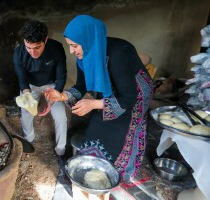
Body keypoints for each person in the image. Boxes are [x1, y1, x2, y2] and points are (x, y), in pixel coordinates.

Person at [44, 15, 153, 181]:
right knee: (98, 124)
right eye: (70, 46)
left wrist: (94, 103)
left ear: (87, 40)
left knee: (125, 130)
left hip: (135, 93)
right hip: (109, 89)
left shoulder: (118, 55)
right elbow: (81, 86)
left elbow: (128, 99)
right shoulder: (85, 54)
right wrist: (62, 95)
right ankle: (95, 161)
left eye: (74, 46)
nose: (72, 51)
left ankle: (123, 169)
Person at [13, 20, 68, 157]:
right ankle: (29, 139)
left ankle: (61, 150)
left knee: (60, 115)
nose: (33, 52)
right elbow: (22, 79)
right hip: (30, 86)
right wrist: (27, 96)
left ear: (46, 40)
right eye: (28, 47)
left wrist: (54, 97)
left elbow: (61, 76)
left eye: (37, 47)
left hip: (51, 85)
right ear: (24, 42)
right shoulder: (19, 53)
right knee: (26, 112)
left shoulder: (56, 48)